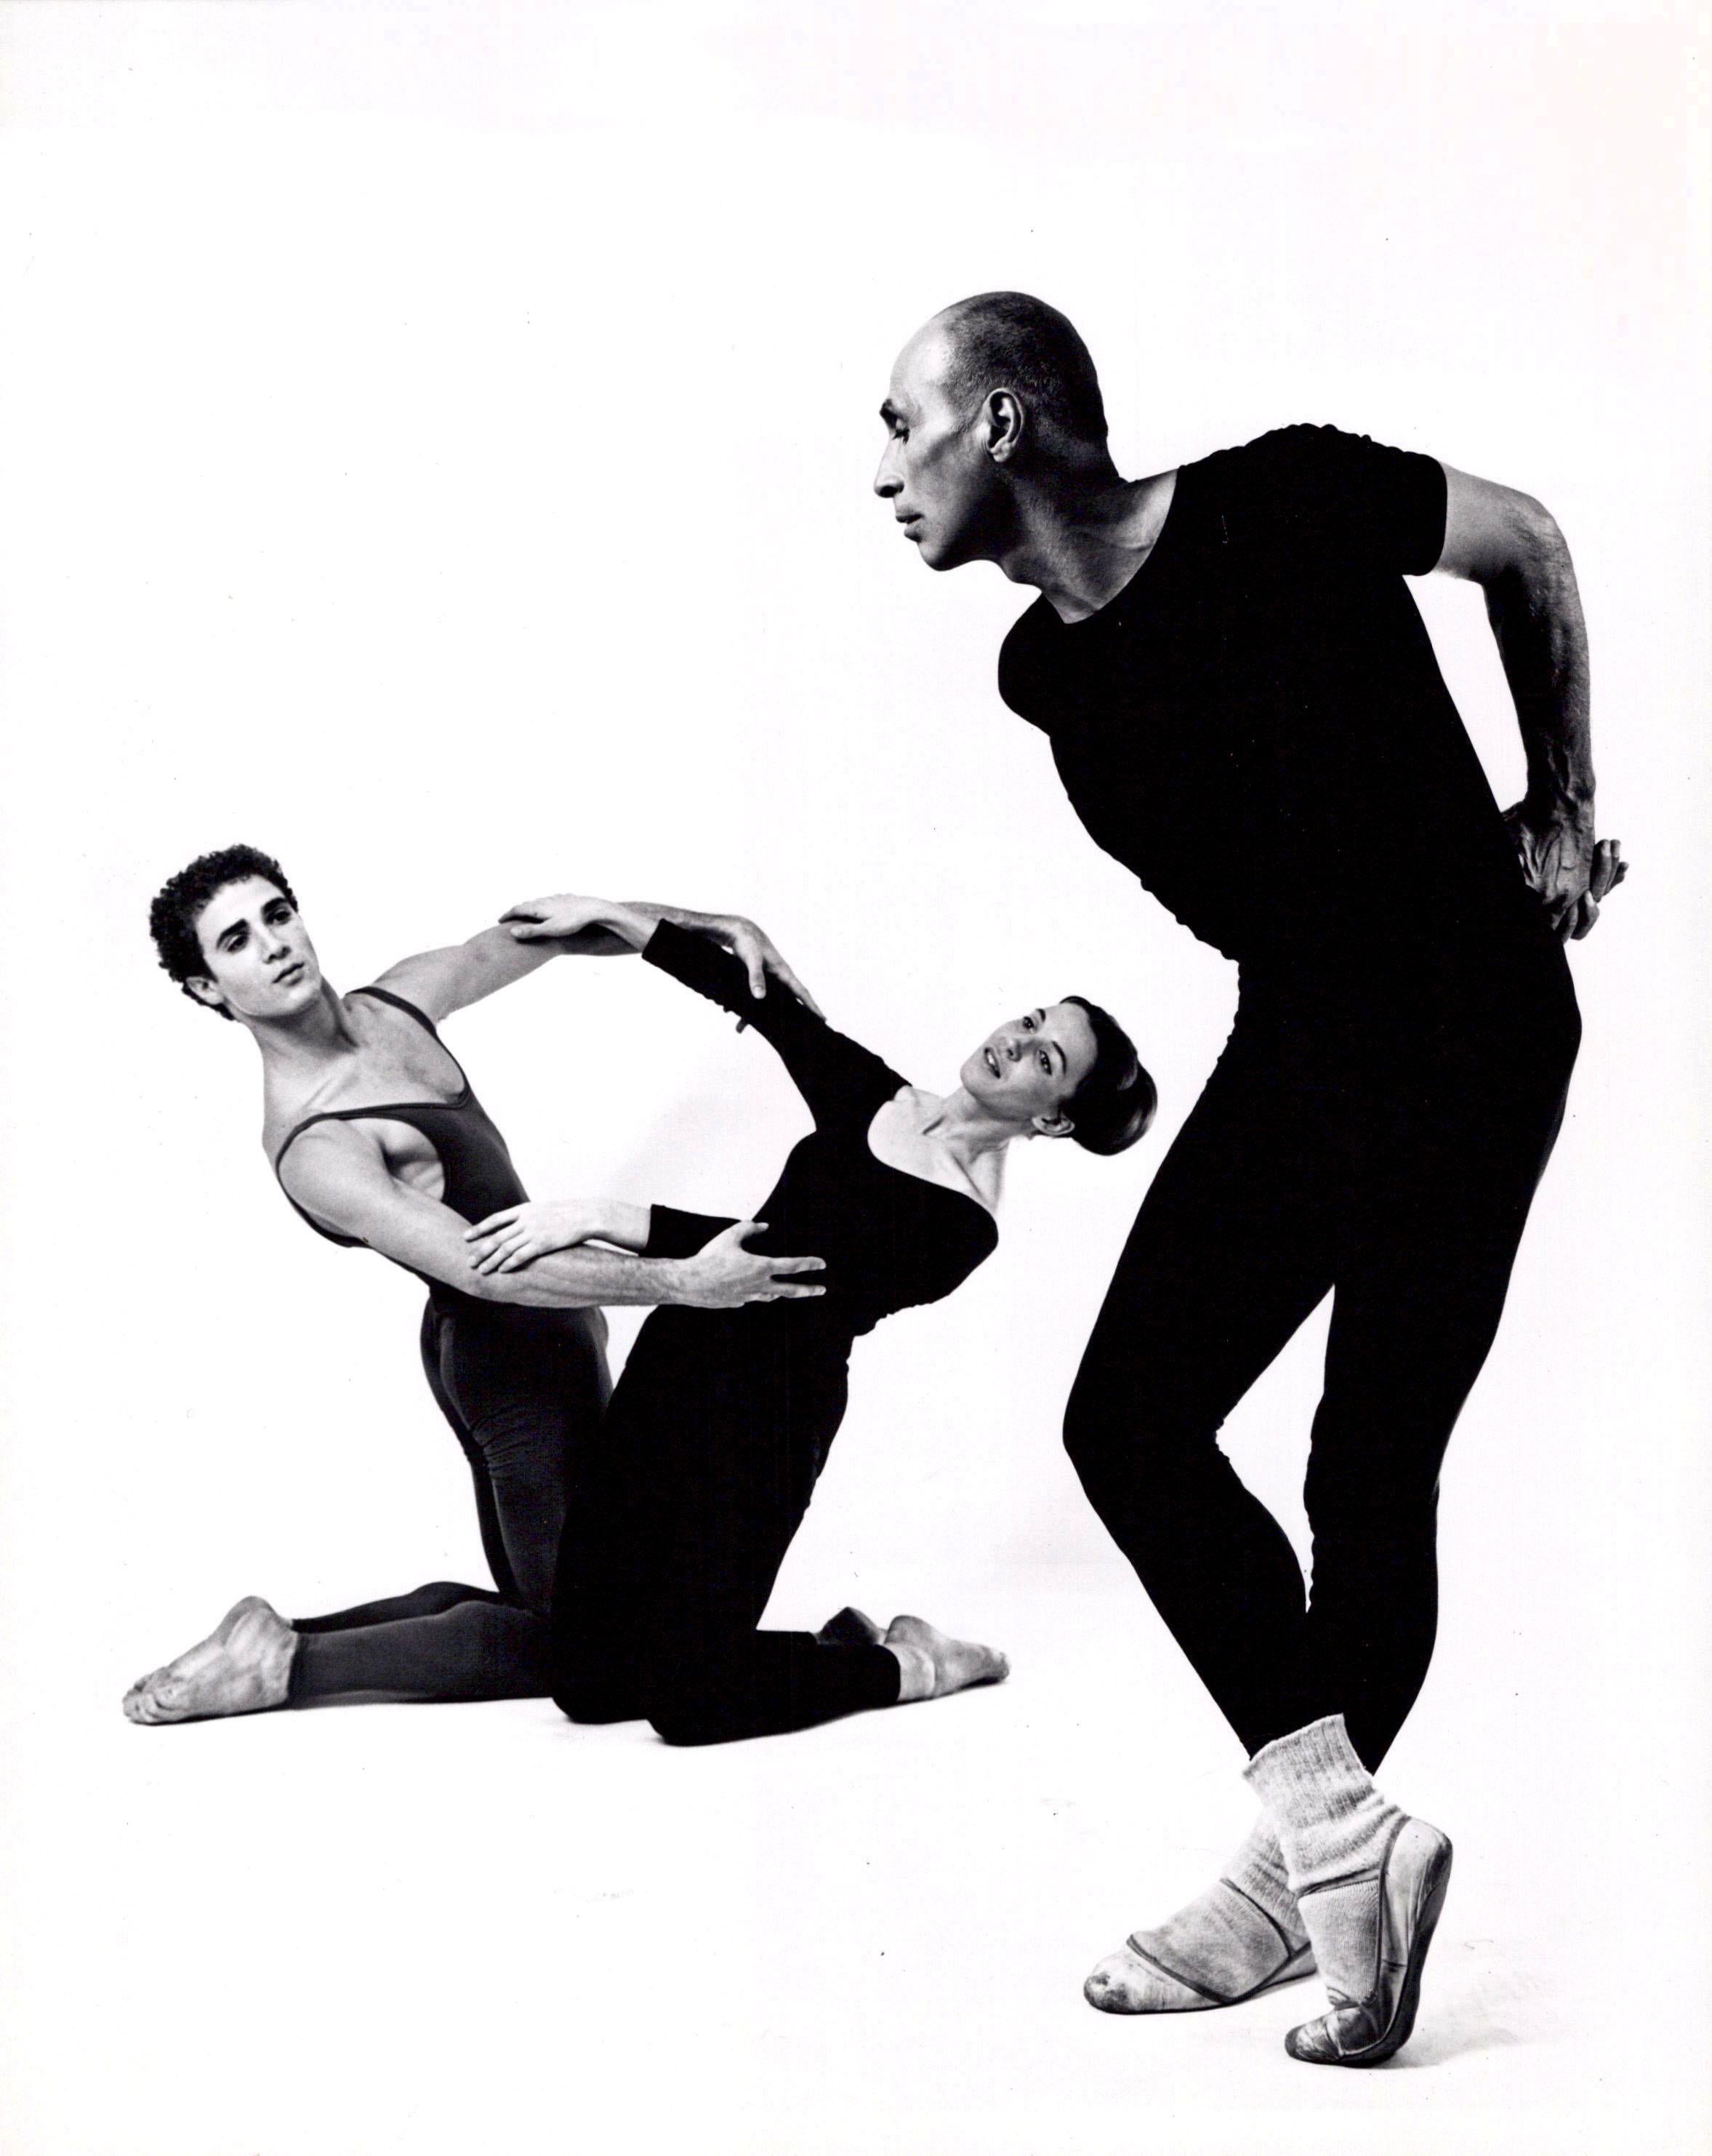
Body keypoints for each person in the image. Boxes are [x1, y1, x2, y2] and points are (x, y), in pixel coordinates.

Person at [874, 292, 1627, 2066]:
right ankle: (1339, 1833)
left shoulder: (1280, 496)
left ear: (998, 422)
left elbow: (1524, 542)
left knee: (1367, 1453)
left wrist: (1559, 798)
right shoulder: (1041, 668)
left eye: (900, 424)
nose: (880, 472)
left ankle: (1302, 1872)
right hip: (1302, 1032)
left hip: (1470, 1018)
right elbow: (1252, 879)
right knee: (1129, 1419)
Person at [124, 845, 829, 1724]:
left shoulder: (397, 1001)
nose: (273, 943)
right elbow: (484, 1267)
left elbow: (556, 933)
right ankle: (294, 1664)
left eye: (277, 913)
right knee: (579, 1640)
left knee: (567, 1600)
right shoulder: (317, 1144)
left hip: (557, 1340)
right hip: (509, 1362)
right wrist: (688, 1281)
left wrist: (713, 929)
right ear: (207, 989)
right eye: (235, 940)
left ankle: (282, 1636)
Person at [466, 891, 1154, 1746]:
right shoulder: (883, 1097)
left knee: (688, 1706)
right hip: (681, 1351)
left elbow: (777, 1261)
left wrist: (599, 1215)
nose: (1015, 1040)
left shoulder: (962, 1227)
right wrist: (609, 910)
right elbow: (764, 1002)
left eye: (1044, 1059)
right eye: (1029, 1019)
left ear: (1050, 1117)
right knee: (587, 1683)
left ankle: (919, 1664)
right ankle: (803, 1650)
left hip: (769, 1416)